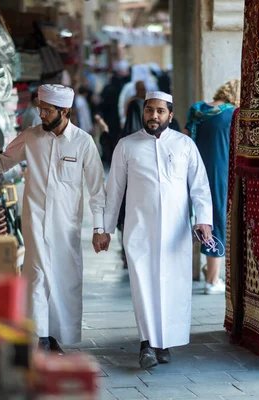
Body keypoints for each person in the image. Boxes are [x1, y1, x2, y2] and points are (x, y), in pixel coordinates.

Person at [0, 84, 111, 353]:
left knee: (64, 279)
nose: (42, 115)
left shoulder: (83, 142)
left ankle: (57, 335)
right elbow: (1, 163)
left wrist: (99, 228)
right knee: (35, 274)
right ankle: (40, 337)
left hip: (66, 225)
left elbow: (97, 189)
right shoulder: (31, 137)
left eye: (47, 111)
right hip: (35, 219)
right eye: (41, 109)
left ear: (65, 110)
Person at [104, 91, 213, 369]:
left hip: (176, 231)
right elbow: (114, 191)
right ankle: (147, 344)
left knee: (173, 286)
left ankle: (164, 343)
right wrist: (104, 229)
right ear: (143, 112)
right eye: (149, 110)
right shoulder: (126, 145)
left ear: (170, 115)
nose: (154, 116)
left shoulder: (185, 144)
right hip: (139, 230)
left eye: (160, 111)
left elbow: (199, 186)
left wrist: (203, 220)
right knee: (144, 286)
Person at [185, 79, 240, 295]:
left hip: (193, 170)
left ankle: (201, 270)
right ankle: (212, 280)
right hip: (219, 171)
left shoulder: (197, 111)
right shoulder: (231, 114)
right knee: (216, 219)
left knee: (195, 217)